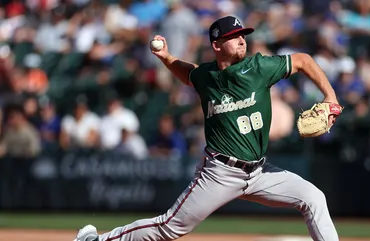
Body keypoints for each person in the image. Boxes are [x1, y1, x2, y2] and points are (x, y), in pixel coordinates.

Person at [74, 15, 341, 241]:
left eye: (243, 35)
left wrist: (331, 98)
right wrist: (166, 58)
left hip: (260, 172)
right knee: (168, 227)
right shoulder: (207, 76)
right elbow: (189, 74)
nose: (241, 39)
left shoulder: (259, 67)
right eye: (233, 36)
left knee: (313, 197)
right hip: (220, 174)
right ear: (216, 44)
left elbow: (304, 60)